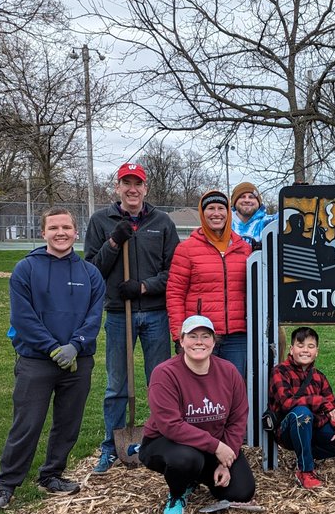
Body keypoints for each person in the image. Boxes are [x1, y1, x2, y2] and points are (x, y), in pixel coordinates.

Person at [0, 208, 105, 510]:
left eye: (66, 227)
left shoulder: (89, 273)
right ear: (43, 233)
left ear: (76, 232)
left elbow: (94, 317)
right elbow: (23, 318)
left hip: (78, 362)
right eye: (54, 228)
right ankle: (5, 485)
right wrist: (53, 348)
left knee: (68, 423)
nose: (61, 233)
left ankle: (52, 474)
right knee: (27, 424)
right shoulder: (26, 269)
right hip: (37, 361)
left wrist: (76, 346)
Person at [85, 162, 180, 474]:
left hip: (155, 314)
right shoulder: (101, 221)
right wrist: (114, 242)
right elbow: (92, 271)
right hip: (117, 315)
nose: (132, 189)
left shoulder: (161, 222)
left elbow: (173, 272)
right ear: (117, 188)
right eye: (126, 183)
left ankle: (161, 441)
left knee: (160, 383)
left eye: (137, 183)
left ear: (145, 188)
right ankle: (111, 447)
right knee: (117, 385)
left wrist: (142, 286)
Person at [139, 315, 255, 514]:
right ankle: (177, 494)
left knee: (241, 491)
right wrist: (217, 447)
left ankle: (194, 476)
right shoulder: (165, 374)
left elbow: (238, 418)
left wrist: (225, 462)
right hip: (167, 443)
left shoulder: (228, 372)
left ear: (213, 341)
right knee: (186, 460)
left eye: (205, 336)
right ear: (182, 341)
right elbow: (171, 426)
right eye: (192, 336)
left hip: (211, 446)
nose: (199, 342)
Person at [166, 189, 252, 378]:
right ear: (202, 214)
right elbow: (175, 294)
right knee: (200, 387)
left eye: (221, 208)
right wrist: (179, 333)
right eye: (210, 208)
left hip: (238, 336)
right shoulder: (186, 249)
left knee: (233, 386)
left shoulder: (245, 249)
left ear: (228, 213)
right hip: (200, 334)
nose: (216, 213)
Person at [269, 327, 335, 489]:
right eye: (300, 345)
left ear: (317, 351)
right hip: (287, 429)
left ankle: (308, 453)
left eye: (310, 347)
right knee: (302, 413)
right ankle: (305, 470)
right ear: (292, 349)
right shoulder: (280, 371)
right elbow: (286, 403)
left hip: (315, 425)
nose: (305, 350)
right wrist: (319, 402)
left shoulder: (319, 376)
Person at [230, 181, 276, 247]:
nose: (247, 200)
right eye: (242, 197)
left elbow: (287, 217)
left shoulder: (269, 222)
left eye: (251, 197)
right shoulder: (224, 224)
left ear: (258, 202)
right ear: (234, 202)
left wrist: (295, 195)